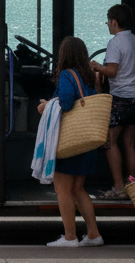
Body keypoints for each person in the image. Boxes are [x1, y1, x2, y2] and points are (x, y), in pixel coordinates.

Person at [37, 36, 105, 248]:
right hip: (85, 140)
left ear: (64, 55)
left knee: (63, 189)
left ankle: (70, 237)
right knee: (78, 189)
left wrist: (46, 105)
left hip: (69, 142)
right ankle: (93, 234)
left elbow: (65, 102)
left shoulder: (67, 75)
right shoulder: (90, 77)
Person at [90, 3, 135, 200]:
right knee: (129, 144)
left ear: (114, 22)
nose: (108, 25)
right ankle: (132, 186)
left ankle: (119, 187)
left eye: (108, 22)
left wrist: (95, 66)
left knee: (109, 142)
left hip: (120, 98)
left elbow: (111, 71)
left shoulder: (115, 43)